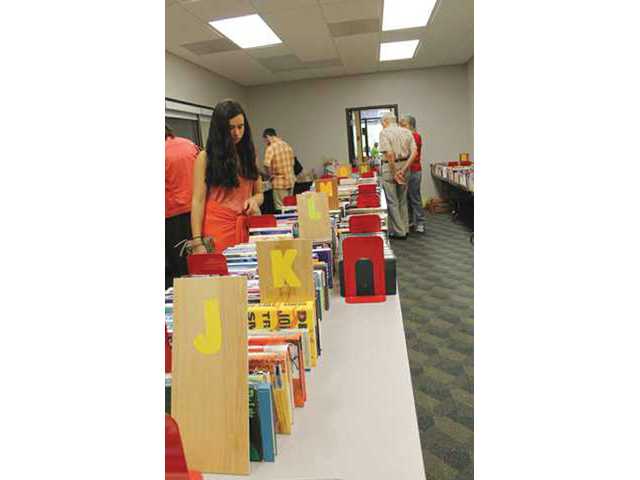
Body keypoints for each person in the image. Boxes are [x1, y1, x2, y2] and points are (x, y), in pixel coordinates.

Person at [190, 100, 264, 254]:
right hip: (216, 230)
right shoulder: (205, 157)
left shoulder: (250, 154)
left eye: (240, 126)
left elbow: (259, 194)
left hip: (245, 225)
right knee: (222, 276)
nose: (237, 133)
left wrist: (253, 201)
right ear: (220, 129)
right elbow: (198, 200)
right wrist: (197, 242)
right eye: (231, 128)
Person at [165, 125, 199, 288]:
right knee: (198, 260)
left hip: (172, 217)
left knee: (178, 267)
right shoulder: (190, 145)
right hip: (197, 212)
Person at [379, 112, 417, 239]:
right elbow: (414, 153)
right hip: (405, 167)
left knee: (392, 201)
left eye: (382, 123)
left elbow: (389, 154)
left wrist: (395, 172)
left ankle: (399, 232)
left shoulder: (384, 133)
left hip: (390, 168)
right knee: (402, 200)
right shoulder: (407, 132)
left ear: (385, 122)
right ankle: (405, 229)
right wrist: (404, 169)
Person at [399, 115, 426, 234]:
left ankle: (420, 222)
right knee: (407, 197)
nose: (401, 127)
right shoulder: (408, 136)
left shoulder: (415, 136)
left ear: (410, 125)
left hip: (414, 170)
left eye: (403, 125)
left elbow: (410, 153)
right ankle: (410, 221)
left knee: (414, 197)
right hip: (407, 170)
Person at [262, 128, 295, 211]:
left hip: (279, 182)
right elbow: (293, 163)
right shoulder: (287, 145)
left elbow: (266, 164)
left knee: (280, 208)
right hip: (290, 180)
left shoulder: (271, 148)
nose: (266, 142)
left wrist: (270, 175)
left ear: (268, 136)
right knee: (290, 206)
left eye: (265, 140)